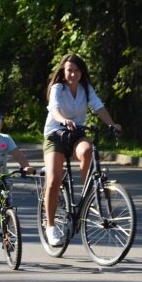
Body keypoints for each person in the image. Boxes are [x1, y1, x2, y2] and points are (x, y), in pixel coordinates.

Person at [42, 54, 121, 247]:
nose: (73, 74)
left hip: (76, 133)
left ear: (82, 72)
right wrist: (62, 120)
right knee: (54, 179)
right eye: (69, 70)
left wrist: (112, 124)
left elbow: (98, 107)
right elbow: (54, 109)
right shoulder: (58, 88)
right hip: (56, 134)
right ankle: (51, 227)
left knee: (88, 151)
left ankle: (89, 197)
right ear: (63, 71)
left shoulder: (86, 88)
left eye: (77, 70)